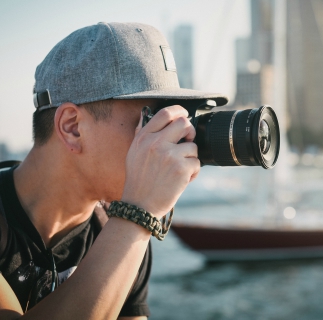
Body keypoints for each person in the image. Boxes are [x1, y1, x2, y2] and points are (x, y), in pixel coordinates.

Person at [0, 22, 228, 319]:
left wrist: (135, 220)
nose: (170, 139)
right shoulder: (128, 225)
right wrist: (138, 215)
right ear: (72, 127)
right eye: (152, 121)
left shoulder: (118, 230)